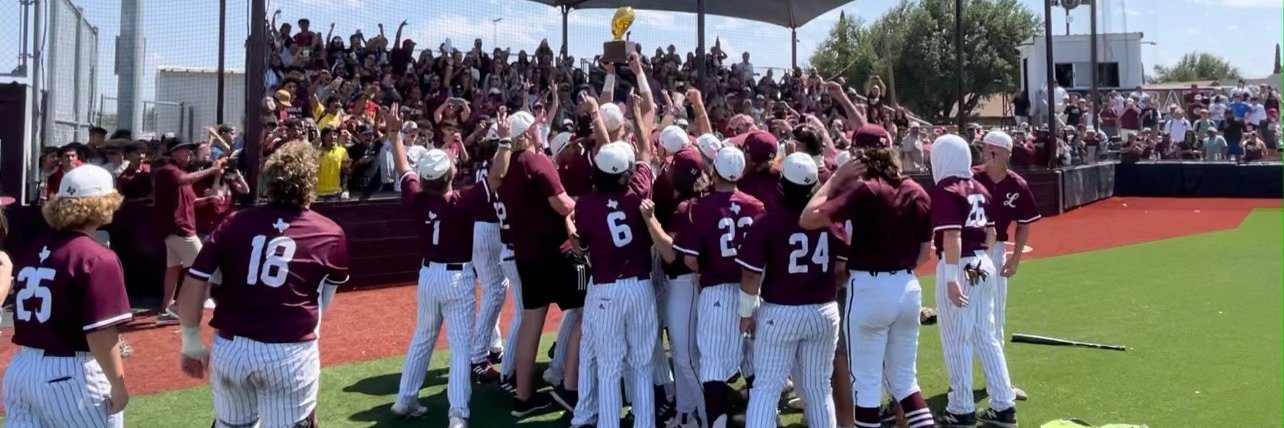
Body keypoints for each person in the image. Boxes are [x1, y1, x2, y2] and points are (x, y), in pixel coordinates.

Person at [175, 141, 349, 428]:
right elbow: (324, 300)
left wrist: (191, 341)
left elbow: (195, 280)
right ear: (311, 182)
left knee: (231, 425)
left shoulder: (234, 222)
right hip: (289, 350)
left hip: (232, 347)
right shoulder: (330, 232)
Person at [800, 125, 936, 428]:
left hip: (870, 288)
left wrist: (836, 179)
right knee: (904, 382)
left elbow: (808, 217)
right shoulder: (917, 190)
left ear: (860, 155)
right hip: (907, 286)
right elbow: (925, 254)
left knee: (866, 382)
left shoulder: (865, 189)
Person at [3, 165, 131, 427]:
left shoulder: (37, 247)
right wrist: (118, 384)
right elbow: (100, 334)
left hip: (22, 370)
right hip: (71, 376)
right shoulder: (97, 257)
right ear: (102, 204)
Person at [382, 106, 485, 428]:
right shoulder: (461, 201)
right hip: (456, 276)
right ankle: (457, 413)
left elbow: (402, 167)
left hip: (428, 275)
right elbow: (495, 176)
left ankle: (405, 399)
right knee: (459, 349)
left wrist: (394, 133)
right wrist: (507, 142)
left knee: (422, 338)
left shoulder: (417, 197)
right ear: (448, 176)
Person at [487, 108, 582, 417]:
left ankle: (524, 395)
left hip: (526, 255)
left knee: (531, 324)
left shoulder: (507, 167)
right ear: (526, 134)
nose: (542, 130)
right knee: (588, 311)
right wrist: (584, 204)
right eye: (537, 126)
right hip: (556, 252)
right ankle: (571, 386)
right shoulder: (535, 161)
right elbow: (562, 204)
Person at [737, 153, 843, 428]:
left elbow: (750, 274)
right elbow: (843, 267)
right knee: (819, 389)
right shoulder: (829, 220)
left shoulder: (768, 222)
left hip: (781, 310)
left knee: (766, 389)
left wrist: (746, 312)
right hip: (823, 309)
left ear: (783, 184)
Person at [672, 146, 765, 427]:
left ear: (714, 172)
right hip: (753, 291)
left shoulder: (699, 207)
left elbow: (689, 259)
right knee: (753, 364)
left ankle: (718, 423)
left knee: (713, 368)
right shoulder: (756, 205)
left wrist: (703, 271)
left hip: (717, 293)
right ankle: (764, 418)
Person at [929, 135, 1017, 428]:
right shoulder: (980, 187)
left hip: (961, 264)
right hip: (982, 261)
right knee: (986, 335)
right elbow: (992, 233)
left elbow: (952, 236)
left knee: (957, 338)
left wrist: (953, 278)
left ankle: (961, 408)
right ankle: (1004, 405)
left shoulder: (946, 188)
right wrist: (983, 264)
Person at [572, 137, 659, 428]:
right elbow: (645, 159)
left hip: (606, 288)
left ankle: (608, 423)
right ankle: (644, 423)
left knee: (609, 367)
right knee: (642, 364)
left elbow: (581, 244)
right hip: (639, 286)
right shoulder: (637, 194)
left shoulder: (585, 205)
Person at [973, 130, 1040, 403]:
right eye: (986, 148)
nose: (987, 152)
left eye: (993, 149)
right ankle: (961, 383)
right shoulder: (971, 177)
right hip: (970, 251)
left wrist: (1015, 259)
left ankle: (999, 384)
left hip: (997, 249)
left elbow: (1024, 224)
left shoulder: (1017, 184)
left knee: (995, 318)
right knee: (965, 317)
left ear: (1006, 154)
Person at [153, 138, 226, 325]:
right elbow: (185, 179)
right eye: (183, 150)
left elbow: (191, 202)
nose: (187, 153)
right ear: (173, 153)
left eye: (188, 150)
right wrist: (213, 169)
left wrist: (208, 200)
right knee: (202, 269)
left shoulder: (181, 173)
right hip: (179, 230)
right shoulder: (167, 171)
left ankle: (167, 308)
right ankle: (177, 307)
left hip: (180, 229)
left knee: (173, 269)